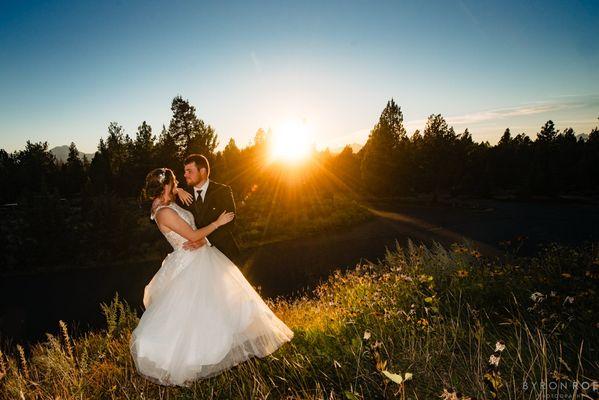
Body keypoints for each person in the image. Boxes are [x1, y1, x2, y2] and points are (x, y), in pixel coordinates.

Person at [129, 168, 294, 387]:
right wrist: (218, 222)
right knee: (198, 314)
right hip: (192, 261)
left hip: (196, 253)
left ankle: (224, 347)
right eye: (175, 180)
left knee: (216, 305)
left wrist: (176, 190)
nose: (180, 182)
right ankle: (195, 358)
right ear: (166, 186)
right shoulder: (164, 212)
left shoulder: (161, 202)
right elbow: (193, 235)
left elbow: (176, 208)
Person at [176, 154, 241, 264]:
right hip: (195, 258)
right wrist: (176, 190)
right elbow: (156, 211)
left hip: (224, 253)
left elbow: (230, 222)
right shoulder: (182, 194)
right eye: (185, 171)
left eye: (189, 171)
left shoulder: (222, 191)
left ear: (202, 171)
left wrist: (205, 240)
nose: (185, 175)